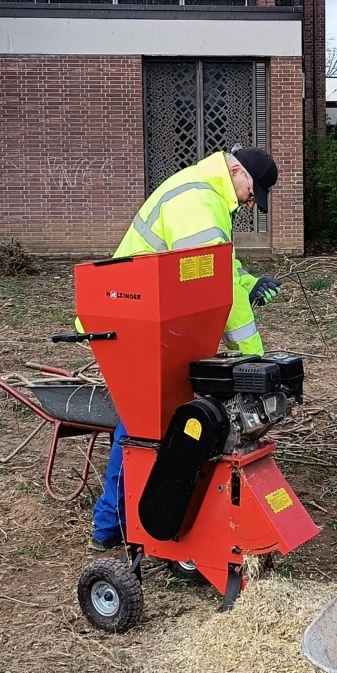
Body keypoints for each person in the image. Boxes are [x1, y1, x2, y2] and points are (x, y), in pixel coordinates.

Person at [89, 146, 282, 550]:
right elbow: (216, 286)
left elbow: (222, 271)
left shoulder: (208, 197)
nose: (252, 201)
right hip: (130, 316)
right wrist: (254, 363)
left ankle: (168, 509)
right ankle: (111, 526)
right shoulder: (197, 201)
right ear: (235, 170)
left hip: (157, 315)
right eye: (253, 191)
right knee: (145, 426)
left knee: (171, 417)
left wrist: (250, 283)